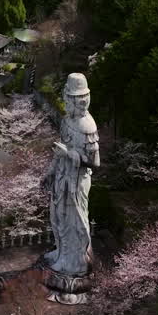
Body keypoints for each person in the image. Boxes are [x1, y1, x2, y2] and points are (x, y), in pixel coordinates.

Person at [44, 73, 99, 280]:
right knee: (58, 216)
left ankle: (74, 261)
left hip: (78, 180)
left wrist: (68, 154)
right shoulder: (66, 120)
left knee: (74, 220)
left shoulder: (88, 126)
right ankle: (61, 252)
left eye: (70, 98)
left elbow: (95, 162)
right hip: (62, 175)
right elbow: (61, 148)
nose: (67, 101)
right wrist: (50, 172)